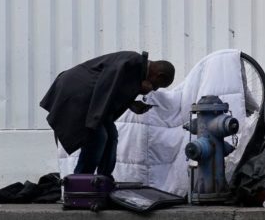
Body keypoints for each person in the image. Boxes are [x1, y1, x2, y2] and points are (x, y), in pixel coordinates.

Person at [40, 51, 175, 177]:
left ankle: (103, 180)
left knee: (111, 135)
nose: (154, 89)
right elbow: (104, 86)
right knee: (97, 137)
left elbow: (114, 91)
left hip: (91, 99)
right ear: (159, 75)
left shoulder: (137, 69)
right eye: (158, 85)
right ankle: (81, 182)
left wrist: (132, 103)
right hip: (77, 93)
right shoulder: (132, 63)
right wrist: (94, 122)